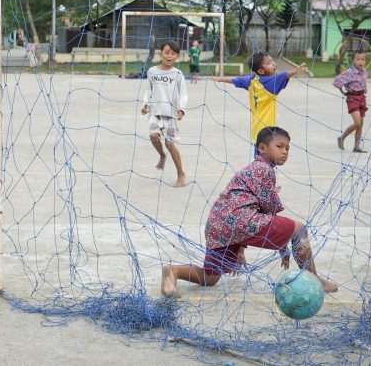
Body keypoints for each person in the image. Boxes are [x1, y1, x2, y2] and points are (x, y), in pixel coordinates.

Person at [160, 126, 338, 296]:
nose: (285, 152)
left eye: (288, 148)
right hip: (239, 221)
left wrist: (240, 249)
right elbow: (267, 213)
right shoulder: (265, 169)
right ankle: (315, 280)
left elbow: (246, 206)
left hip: (218, 224)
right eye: (279, 146)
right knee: (299, 229)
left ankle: (173, 271)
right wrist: (283, 247)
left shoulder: (252, 168)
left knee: (210, 277)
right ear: (262, 148)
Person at [214, 51, 307, 145]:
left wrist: (220, 79)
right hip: (268, 133)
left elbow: (236, 80)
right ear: (261, 71)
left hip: (256, 130)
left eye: (272, 61)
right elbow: (285, 75)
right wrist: (295, 71)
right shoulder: (271, 83)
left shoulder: (252, 80)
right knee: (267, 158)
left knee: (259, 158)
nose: (273, 63)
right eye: (269, 63)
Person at [141, 40, 188, 188]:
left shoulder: (178, 74)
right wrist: (145, 104)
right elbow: (149, 90)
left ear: (177, 56)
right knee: (153, 136)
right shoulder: (152, 71)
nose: (169, 56)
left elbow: (183, 93)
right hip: (155, 112)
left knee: (169, 142)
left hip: (171, 113)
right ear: (160, 53)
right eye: (167, 52)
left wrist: (181, 109)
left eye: (173, 53)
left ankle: (181, 173)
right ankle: (162, 155)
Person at [333, 51, 368, 153]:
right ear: (353, 60)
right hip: (352, 98)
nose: (360, 62)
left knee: (361, 124)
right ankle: (342, 137)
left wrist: (365, 88)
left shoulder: (364, 72)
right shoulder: (349, 72)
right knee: (357, 123)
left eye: (362, 59)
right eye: (358, 59)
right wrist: (342, 91)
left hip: (362, 98)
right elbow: (337, 81)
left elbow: (364, 80)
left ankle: (356, 147)